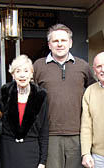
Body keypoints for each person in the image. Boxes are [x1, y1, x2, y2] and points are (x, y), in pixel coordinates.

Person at [33, 23, 95, 168]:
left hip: (78, 134)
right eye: (55, 41)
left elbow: (94, 93)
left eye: (63, 40)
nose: (59, 44)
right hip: (49, 135)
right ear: (49, 45)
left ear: (70, 43)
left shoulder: (83, 66)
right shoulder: (38, 66)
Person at [0, 55, 49, 168]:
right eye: (18, 71)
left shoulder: (41, 95)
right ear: (13, 74)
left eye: (26, 71)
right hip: (8, 151)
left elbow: (44, 130)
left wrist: (43, 161)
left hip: (31, 152)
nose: (22, 75)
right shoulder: (4, 92)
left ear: (31, 74)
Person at [80, 52, 104, 168]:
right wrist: (86, 153)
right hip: (97, 157)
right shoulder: (90, 91)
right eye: (99, 66)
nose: (103, 70)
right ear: (94, 70)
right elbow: (86, 125)